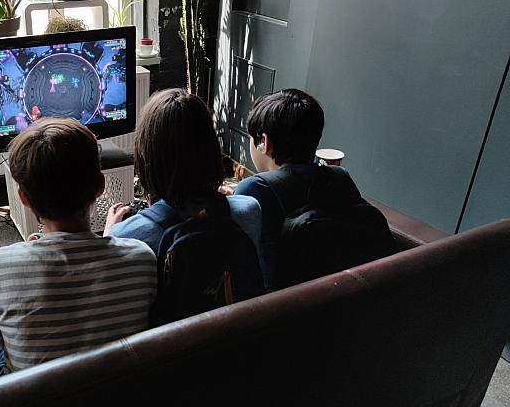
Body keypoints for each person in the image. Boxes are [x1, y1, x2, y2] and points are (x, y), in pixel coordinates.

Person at [0, 118, 157, 373]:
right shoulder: (142, 259)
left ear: (23, 198)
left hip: (35, 397)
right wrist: (108, 239)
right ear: (100, 186)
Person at [105, 89, 265, 323]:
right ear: (211, 149)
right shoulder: (250, 209)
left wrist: (109, 237)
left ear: (146, 156)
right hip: (238, 339)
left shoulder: (126, 235)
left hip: (174, 346)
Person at [234, 88, 394, 290]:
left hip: (284, 303)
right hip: (349, 297)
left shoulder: (255, 189)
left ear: (263, 142)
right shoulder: (340, 176)